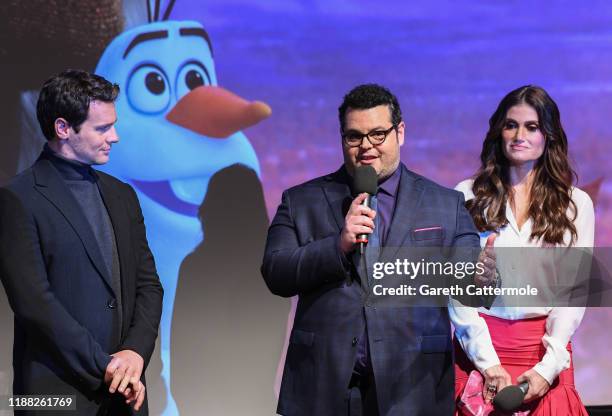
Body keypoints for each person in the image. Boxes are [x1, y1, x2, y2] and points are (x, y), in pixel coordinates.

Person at [261, 84, 495, 415]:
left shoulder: (446, 204)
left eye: (378, 134)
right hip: (323, 387)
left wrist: (484, 277)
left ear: (400, 132)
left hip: (413, 387)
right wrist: (338, 246)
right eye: (354, 136)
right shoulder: (302, 201)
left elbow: (469, 285)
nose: (366, 146)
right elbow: (276, 272)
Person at [0, 70, 164, 415]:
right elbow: (34, 303)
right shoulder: (18, 198)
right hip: (55, 395)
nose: (115, 137)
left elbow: (148, 285)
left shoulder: (122, 195)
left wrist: (134, 353)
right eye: (102, 128)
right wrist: (105, 366)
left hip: (125, 392)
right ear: (63, 128)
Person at [451, 85, 593, 415]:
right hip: (479, 353)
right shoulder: (466, 196)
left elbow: (573, 296)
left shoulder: (576, 205)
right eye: (511, 125)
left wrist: (547, 368)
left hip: (545, 356)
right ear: (499, 132)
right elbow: (457, 294)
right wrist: (488, 364)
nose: (519, 135)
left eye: (532, 127)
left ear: (549, 135)